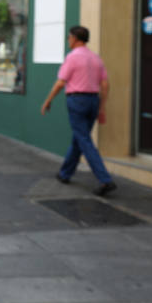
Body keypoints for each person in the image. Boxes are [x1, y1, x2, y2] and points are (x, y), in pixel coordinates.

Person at [40, 26, 115, 196]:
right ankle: (65, 173)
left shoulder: (72, 57)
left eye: (69, 37)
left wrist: (48, 100)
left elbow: (60, 83)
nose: (68, 40)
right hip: (93, 100)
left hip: (77, 101)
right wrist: (102, 107)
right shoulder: (96, 58)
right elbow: (105, 84)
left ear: (74, 38)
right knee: (79, 138)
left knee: (84, 140)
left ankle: (105, 180)